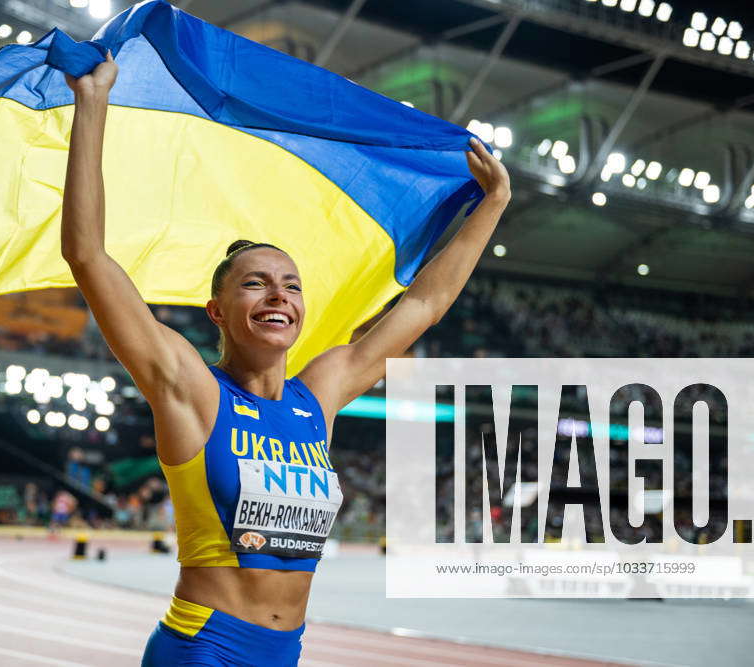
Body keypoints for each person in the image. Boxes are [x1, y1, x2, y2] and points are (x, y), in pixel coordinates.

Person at [62, 52, 510, 667]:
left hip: (285, 652)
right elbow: (88, 255)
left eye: (291, 285)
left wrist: (492, 203)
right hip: (204, 649)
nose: (279, 294)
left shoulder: (318, 394)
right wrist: (93, 104)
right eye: (255, 283)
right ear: (217, 310)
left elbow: (426, 303)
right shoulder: (192, 389)